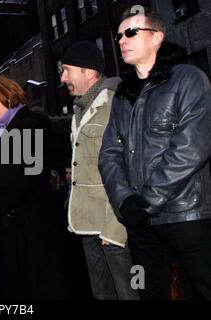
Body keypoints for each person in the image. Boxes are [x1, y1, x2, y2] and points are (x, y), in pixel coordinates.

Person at [99, 8, 211, 299]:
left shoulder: (189, 79)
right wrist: (125, 200)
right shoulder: (123, 95)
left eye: (131, 32)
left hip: (187, 216)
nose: (122, 40)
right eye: (119, 35)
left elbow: (192, 147)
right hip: (141, 224)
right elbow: (109, 153)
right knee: (147, 292)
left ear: (157, 37)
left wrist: (147, 200)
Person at [0, 75, 68, 299]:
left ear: (6, 95)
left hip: (33, 222)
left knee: (40, 285)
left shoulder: (35, 122)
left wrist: (2, 203)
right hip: (5, 226)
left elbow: (32, 171)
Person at [61, 41, 138, 300]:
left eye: (67, 70)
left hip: (113, 226)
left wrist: (115, 228)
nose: (63, 78)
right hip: (87, 226)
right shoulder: (79, 110)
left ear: (89, 72)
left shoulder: (117, 103)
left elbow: (130, 168)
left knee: (128, 294)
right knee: (102, 295)